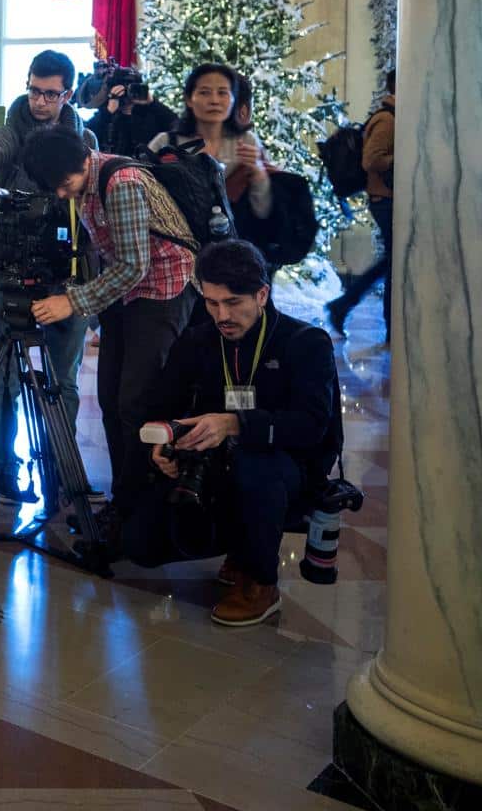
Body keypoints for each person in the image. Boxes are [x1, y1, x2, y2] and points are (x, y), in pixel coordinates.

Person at [123, 240, 340, 627]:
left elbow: (311, 426)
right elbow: (160, 406)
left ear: (262, 295)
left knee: (255, 467)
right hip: (213, 461)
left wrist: (236, 423)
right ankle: (239, 548)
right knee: (140, 545)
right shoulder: (198, 341)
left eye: (233, 302)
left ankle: (261, 582)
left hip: (286, 469)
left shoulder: (304, 343)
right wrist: (164, 442)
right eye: (211, 302)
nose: (222, 315)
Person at [20, 127, 198, 516]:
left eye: (65, 184)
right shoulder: (86, 183)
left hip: (163, 290)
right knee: (111, 401)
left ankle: (143, 507)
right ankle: (125, 501)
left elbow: (134, 265)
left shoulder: (121, 183)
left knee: (136, 401)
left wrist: (73, 302)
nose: (62, 194)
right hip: (126, 294)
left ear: (83, 160)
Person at [0, 49, 95, 505]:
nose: (39, 101)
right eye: (34, 90)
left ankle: (61, 468)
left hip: (65, 271)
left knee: (63, 377)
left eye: (50, 94)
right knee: (5, 377)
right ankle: (3, 468)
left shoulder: (84, 138)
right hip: (12, 268)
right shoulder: (12, 127)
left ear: (67, 94)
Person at [148, 63, 272, 223]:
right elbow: (144, 196)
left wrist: (258, 173)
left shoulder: (247, 142)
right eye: (204, 92)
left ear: (233, 99)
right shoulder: (165, 142)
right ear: (189, 99)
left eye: (222, 92)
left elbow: (262, 211)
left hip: (235, 235)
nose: (214, 100)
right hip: (177, 234)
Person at [328, 70, 394, 335]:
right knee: (392, 264)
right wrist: (403, 158)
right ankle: (346, 305)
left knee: (391, 263)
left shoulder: (392, 117)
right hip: (385, 200)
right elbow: (371, 160)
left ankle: (345, 305)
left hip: (387, 199)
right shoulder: (387, 120)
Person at [85, 67, 177, 156]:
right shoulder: (107, 115)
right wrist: (108, 112)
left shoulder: (151, 111)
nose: (129, 92)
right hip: (116, 164)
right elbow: (87, 137)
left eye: (133, 87)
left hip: (149, 164)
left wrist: (153, 103)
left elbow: (175, 127)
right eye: (125, 87)